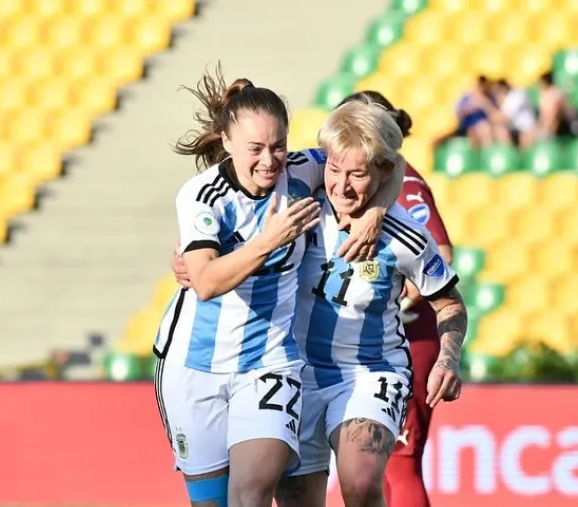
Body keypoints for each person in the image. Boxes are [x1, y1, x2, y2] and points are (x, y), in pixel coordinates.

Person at [155, 65, 401, 507]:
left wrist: (376, 212)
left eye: (278, 146)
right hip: (195, 364)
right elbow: (206, 283)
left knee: (252, 493)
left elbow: (387, 162)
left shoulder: (304, 170)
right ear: (227, 142)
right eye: (255, 149)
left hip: (269, 362)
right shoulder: (201, 196)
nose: (269, 160)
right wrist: (268, 241)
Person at [274, 99, 468, 507]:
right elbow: (242, 177)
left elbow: (450, 305)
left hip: (369, 373)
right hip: (295, 372)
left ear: (382, 171)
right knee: (295, 498)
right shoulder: (300, 203)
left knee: (360, 483)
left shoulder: (406, 236)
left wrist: (448, 359)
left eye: (358, 175)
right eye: (334, 170)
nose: (342, 186)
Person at [334, 91, 455, 507]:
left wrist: (396, 299)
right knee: (377, 467)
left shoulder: (407, 186)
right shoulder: (352, 181)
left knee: (401, 462)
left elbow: (440, 253)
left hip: (407, 341)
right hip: (367, 346)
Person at [537, 71, 578, 140]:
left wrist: (547, 131)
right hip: (558, 126)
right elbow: (543, 116)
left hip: (569, 125)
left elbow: (555, 115)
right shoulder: (543, 95)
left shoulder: (555, 94)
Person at [493, 78, 538, 149]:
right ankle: (507, 153)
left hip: (527, 128)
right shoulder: (506, 98)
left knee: (525, 136)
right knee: (500, 131)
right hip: (515, 129)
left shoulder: (516, 95)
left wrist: (484, 103)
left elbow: (503, 117)